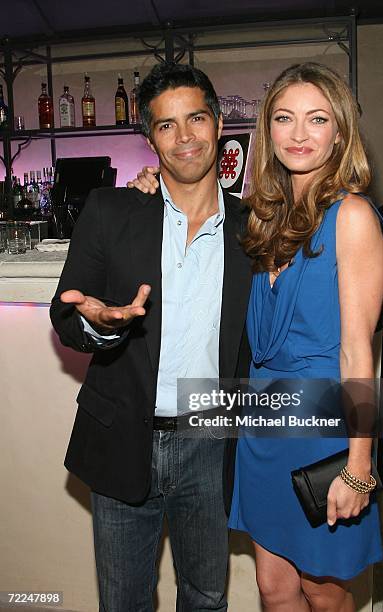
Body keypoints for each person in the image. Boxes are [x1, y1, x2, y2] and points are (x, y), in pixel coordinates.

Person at [129, 63, 383, 612]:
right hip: (263, 424)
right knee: (275, 589)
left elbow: (356, 350)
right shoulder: (262, 217)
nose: (298, 134)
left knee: (323, 590)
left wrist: (359, 467)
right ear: (266, 130)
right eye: (284, 119)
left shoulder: (353, 215)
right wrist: (150, 186)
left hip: (322, 427)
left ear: (340, 132)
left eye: (317, 119)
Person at [50, 63, 252, 612]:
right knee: (123, 602)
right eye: (167, 125)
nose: (184, 137)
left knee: (207, 597)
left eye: (196, 119)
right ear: (150, 140)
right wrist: (98, 321)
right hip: (122, 439)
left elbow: (298, 312)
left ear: (218, 127)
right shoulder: (111, 211)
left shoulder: (255, 226)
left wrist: (369, 306)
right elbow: (65, 314)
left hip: (211, 442)